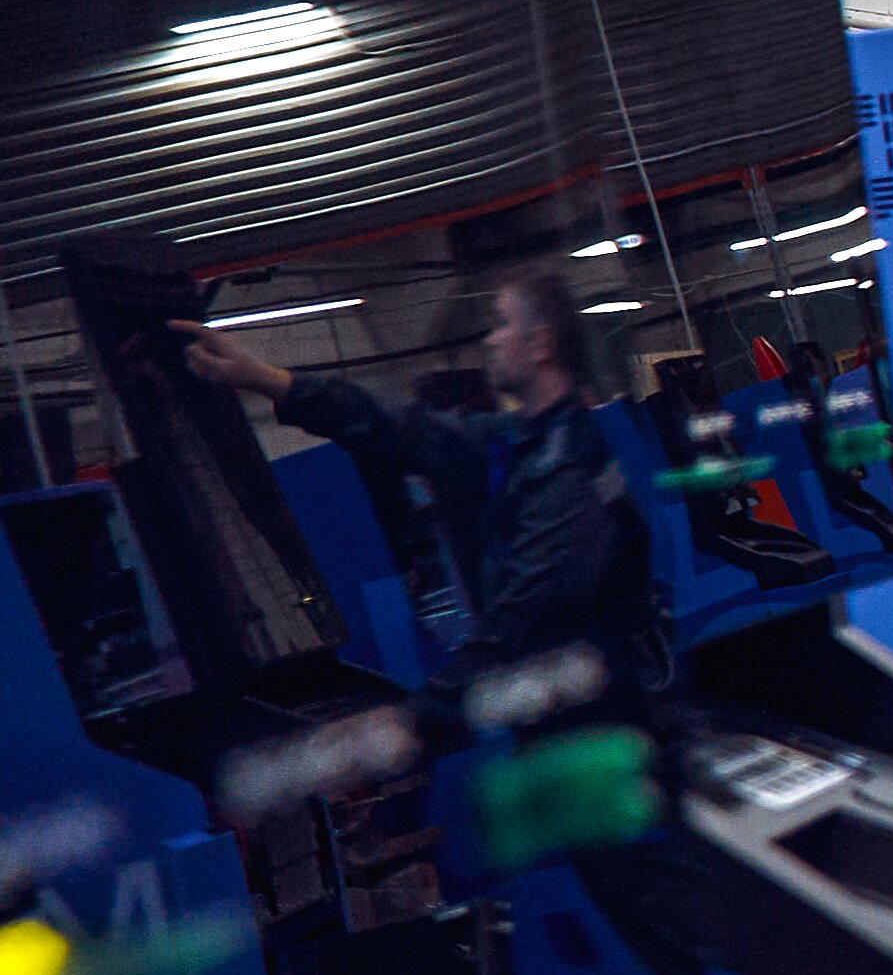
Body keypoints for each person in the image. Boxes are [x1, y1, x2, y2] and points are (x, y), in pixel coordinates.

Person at [180, 263, 652, 701]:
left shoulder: (570, 464)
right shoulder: (515, 444)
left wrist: (418, 715)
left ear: (541, 343)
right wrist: (263, 378)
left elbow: (524, 620)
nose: (489, 340)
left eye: (501, 323)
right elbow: (399, 426)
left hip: (596, 731)